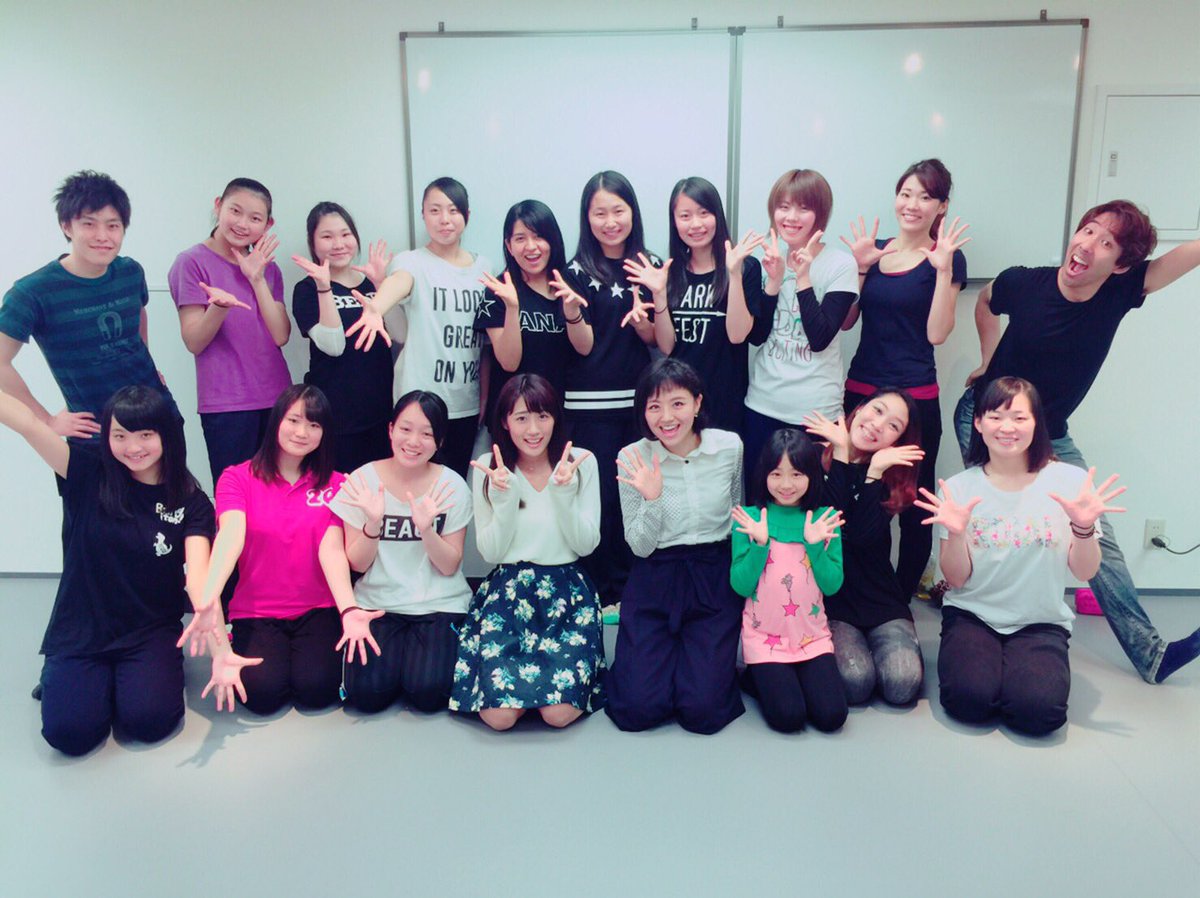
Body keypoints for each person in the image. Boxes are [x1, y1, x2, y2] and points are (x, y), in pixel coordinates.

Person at [957, 200, 1200, 684]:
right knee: (996, 520)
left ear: (1121, 265)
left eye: (1106, 242)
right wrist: (987, 358)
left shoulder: (1121, 290)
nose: (1087, 245)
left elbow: (1184, 258)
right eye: (1087, 230)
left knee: (1094, 528)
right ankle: (979, 625)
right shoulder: (1024, 283)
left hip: (1051, 433)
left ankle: (1150, 654)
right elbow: (986, 301)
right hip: (989, 420)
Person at [0, 385, 257, 755]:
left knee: (150, 724)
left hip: (148, 629)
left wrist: (220, 650)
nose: (133, 447)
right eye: (119, 435)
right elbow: (28, 424)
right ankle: (68, 676)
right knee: (70, 735)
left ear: (165, 435)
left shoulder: (191, 501)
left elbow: (200, 579)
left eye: (145, 435)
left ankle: (118, 679)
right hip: (82, 628)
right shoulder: (85, 469)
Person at [919, 377, 1125, 736]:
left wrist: (1082, 528)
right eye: (995, 416)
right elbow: (956, 579)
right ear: (978, 423)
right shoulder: (959, 488)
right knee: (968, 702)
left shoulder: (1070, 481)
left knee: (1038, 714)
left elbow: (1085, 570)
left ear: (1036, 423)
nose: (1007, 428)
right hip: (972, 615)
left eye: (1019, 417)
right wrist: (956, 533)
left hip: (1040, 621)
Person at [839, 159, 971, 598]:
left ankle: (899, 598)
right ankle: (848, 592)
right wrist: (861, 269)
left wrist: (944, 270)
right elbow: (847, 322)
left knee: (913, 500)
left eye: (925, 196)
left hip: (915, 397)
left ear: (941, 206)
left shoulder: (947, 258)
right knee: (850, 492)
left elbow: (937, 333)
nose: (912, 204)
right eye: (906, 194)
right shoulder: (875, 251)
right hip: (862, 390)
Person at [451, 374, 605, 729]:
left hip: (567, 596)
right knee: (499, 718)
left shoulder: (580, 462)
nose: (533, 429)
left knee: (558, 714)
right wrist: (505, 499)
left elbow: (586, 545)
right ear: (505, 422)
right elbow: (491, 552)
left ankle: (539, 691)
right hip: (508, 596)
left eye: (542, 416)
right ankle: (527, 692)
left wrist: (563, 494)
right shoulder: (490, 468)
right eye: (521, 418)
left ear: (555, 418)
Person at [201, 385, 360, 716]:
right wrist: (209, 597)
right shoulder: (236, 478)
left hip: (317, 608)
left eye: (314, 425)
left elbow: (332, 550)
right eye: (294, 420)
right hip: (257, 611)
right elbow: (231, 535)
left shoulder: (336, 484)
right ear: (276, 420)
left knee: (317, 691)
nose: (302, 433)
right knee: (261, 696)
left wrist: (348, 610)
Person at [606, 358, 744, 734]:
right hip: (655, 573)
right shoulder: (632, 457)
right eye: (654, 407)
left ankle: (697, 660)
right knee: (638, 708)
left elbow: (737, 512)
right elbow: (639, 546)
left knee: (703, 710)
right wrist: (652, 500)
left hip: (712, 574)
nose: (666, 417)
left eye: (677, 403)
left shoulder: (729, 447)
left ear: (697, 403)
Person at [0, 170, 177, 444]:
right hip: (95, 433)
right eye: (89, 224)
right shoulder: (33, 292)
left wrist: (148, 366)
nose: (102, 236)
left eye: (113, 225)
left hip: (157, 415)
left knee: (174, 475)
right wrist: (46, 420)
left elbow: (139, 314)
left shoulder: (130, 272)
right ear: (66, 226)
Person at [329, 390, 472, 714]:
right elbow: (358, 564)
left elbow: (449, 565)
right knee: (367, 695)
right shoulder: (362, 480)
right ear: (391, 429)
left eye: (427, 434)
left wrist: (427, 530)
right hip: (378, 604)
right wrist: (373, 523)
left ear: (439, 441)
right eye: (406, 429)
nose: (414, 441)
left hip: (438, 603)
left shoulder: (451, 486)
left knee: (429, 693)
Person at [344, 177, 490, 478]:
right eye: (434, 210)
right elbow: (399, 283)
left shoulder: (484, 268)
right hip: (418, 403)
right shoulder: (410, 262)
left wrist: (484, 400)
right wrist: (376, 307)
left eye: (453, 210)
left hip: (465, 402)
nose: (444, 219)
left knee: (454, 487)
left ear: (467, 215)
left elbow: (487, 346)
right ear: (423, 215)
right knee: (413, 484)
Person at [561, 170, 659, 609]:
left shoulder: (649, 265)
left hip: (639, 407)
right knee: (598, 500)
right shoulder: (575, 271)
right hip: (588, 408)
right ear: (587, 218)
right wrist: (572, 313)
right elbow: (582, 347)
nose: (610, 221)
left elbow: (657, 340)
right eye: (599, 213)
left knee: (634, 498)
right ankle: (599, 593)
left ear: (632, 212)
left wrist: (642, 323)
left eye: (618, 210)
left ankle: (634, 591)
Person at [804, 391, 926, 706]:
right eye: (877, 410)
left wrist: (873, 475)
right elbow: (831, 524)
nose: (878, 425)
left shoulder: (890, 474)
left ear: (898, 441)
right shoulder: (814, 457)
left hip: (880, 597)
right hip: (833, 599)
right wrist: (841, 454)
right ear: (859, 409)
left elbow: (860, 536)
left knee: (902, 684)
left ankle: (882, 647)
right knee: (854, 684)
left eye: (893, 425)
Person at [623, 176, 773, 433]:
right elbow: (667, 347)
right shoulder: (669, 273)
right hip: (678, 404)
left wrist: (733, 274)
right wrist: (659, 295)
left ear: (717, 216)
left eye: (704, 213)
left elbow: (738, 336)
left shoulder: (745, 267)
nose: (695, 224)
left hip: (726, 400)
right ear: (674, 221)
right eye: (685, 216)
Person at [168, 177, 292, 485]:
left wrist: (256, 278)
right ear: (218, 206)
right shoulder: (191, 262)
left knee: (279, 494)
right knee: (236, 496)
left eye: (255, 218)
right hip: (227, 403)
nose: (242, 224)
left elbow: (281, 336)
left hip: (278, 399)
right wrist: (219, 307)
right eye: (235, 211)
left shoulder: (268, 268)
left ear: (268, 224)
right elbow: (194, 341)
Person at [743, 169, 859, 477]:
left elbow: (819, 338)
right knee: (761, 497)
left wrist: (802, 278)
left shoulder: (840, 264)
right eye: (783, 206)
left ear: (821, 214)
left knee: (814, 499)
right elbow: (757, 336)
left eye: (803, 208)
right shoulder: (769, 257)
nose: (791, 217)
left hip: (816, 412)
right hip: (763, 404)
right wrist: (774, 282)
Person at [731, 429, 847, 733]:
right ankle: (755, 676)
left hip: (812, 638)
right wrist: (759, 545)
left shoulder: (825, 519)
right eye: (776, 474)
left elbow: (832, 585)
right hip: (764, 638)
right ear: (763, 475)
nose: (785, 485)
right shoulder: (749, 518)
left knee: (831, 716)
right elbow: (740, 586)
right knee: (788, 717)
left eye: (796, 474)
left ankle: (788, 678)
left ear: (811, 475)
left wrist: (814, 546)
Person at [291, 202, 394, 473]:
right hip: (336, 417)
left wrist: (382, 285)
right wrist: (325, 288)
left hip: (381, 411)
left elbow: (399, 334)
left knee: (380, 488)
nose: (338, 244)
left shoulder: (372, 282)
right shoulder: (307, 289)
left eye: (345, 234)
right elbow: (333, 345)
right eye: (327, 236)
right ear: (313, 243)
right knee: (341, 490)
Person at [473, 199, 592, 427]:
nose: (531, 246)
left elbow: (584, 347)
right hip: (511, 418)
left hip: (557, 414)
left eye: (539, 236)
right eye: (520, 238)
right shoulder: (498, 290)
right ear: (509, 246)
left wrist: (572, 312)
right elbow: (509, 363)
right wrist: (512, 308)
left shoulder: (568, 284)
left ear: (553, 240)